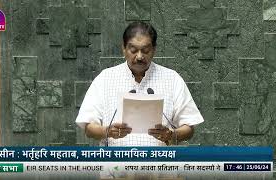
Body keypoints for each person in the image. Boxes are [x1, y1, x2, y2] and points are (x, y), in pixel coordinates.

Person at [76, 21, 204, 146]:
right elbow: (89, 128)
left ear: (154, 49)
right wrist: (107, 131)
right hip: (115, 164)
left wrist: (171, 135)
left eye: (145, 50)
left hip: (160, 164)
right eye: (133, 50)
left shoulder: (172, 79)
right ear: (124, 49)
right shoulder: (105, 78)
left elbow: (189, 127)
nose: (139, 56)